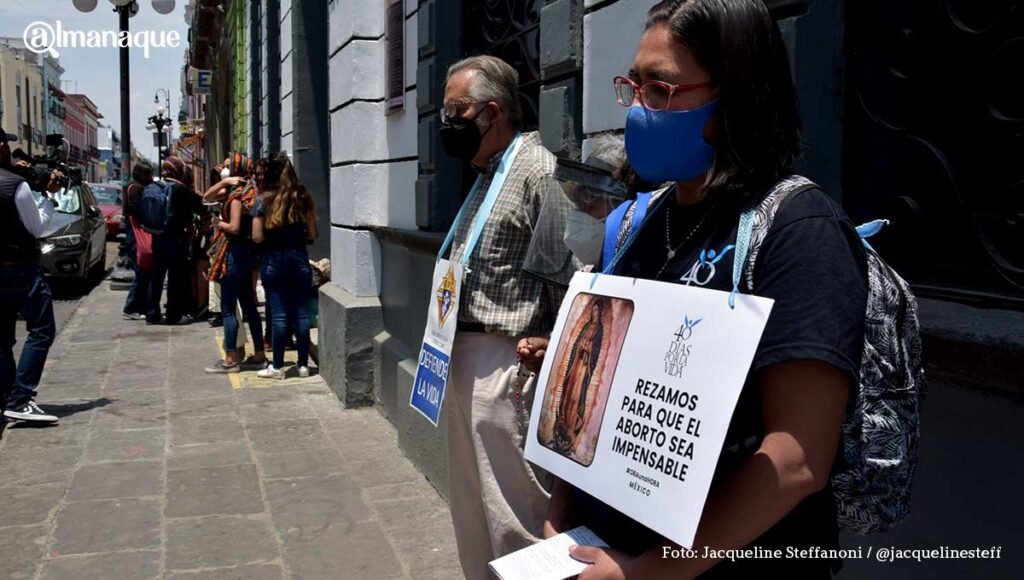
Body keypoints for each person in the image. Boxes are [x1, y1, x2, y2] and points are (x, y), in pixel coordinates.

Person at [541, 2, 869, 579]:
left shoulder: (800, 230)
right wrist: (564, 507)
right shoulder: (644, 220)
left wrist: (648, 572)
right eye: (634, 84)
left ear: (738, 97)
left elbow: (796, 460)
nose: (639, 108)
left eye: (662, 88)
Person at [437, 55, 568, 579]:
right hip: (461, 353)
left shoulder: (538, 170)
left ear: (493, 112)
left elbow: (571, 271)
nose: (449, 123)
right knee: (471, 508)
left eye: (457, 110)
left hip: (507, 363)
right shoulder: (488, 173)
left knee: (515, 511)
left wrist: (551, 344)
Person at [1, 129, 61, 429]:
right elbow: (37, 228)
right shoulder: (14, 185)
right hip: (19, 269)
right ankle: (20, 399)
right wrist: (49, 198)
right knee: (41, 330)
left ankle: (7, 397)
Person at [251, 153, 317, 379]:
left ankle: (277, 367)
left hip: (273, 260)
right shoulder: (303, 196)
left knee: (278, 315)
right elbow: (313, 233)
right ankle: (303, 365)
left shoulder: (263, 200)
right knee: (301, 313)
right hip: (299, 258)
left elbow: (256, 236)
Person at [206, 153, 267, 373]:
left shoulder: (236, 196)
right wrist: (223, 182)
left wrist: (217, 222)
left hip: (233, 254)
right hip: (247, 254)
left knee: (228, 308)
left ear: (236, 170)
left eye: (228, 167)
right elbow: (206, 196)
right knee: (249, 305)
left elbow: (234, 227)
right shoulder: (250, 189)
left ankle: (231, 358)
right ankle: (259, 354)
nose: (224, 169)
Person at [144, 156, 203, 325]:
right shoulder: (180, 189)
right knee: (175, 278)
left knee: (156, 277)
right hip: (176, 239)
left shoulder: (154, 186)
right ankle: (172, 314)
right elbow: (200, 206)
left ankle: (152, 312)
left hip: (158, 238)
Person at [122, 162, 155, 320]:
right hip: (136, 233)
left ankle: (140, 306)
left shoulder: (134, 186)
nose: (151, 178)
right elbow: (134, 208)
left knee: (143, 271)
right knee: (141, 271)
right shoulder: (136, 188)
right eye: (149, 174)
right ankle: (132, 306)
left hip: (134, 232)